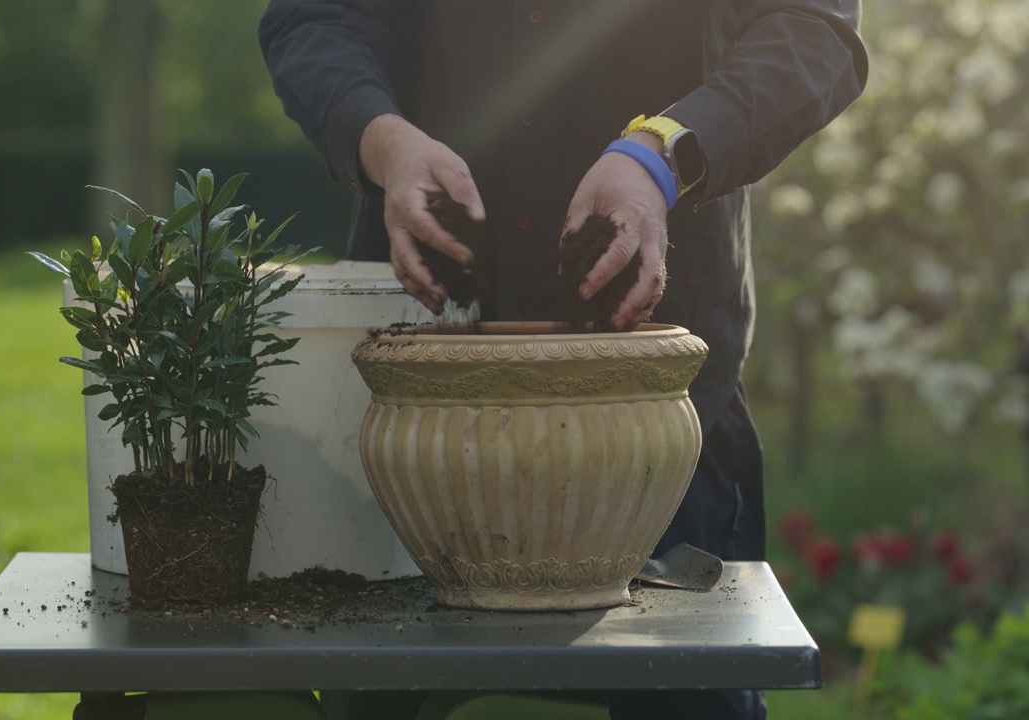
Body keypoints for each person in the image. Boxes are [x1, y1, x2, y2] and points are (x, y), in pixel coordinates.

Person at [259, 2, 867, 718]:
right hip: (418, 407)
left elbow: (812, 33)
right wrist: (382, 139)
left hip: (658, 418)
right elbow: (315, 18)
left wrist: (658, 154)